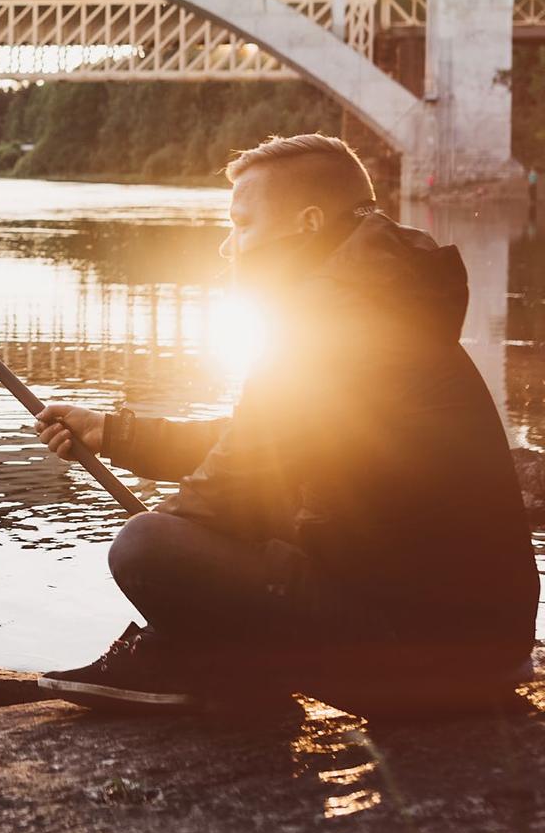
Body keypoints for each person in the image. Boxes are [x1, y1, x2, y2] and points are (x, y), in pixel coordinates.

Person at [35, 133, 538, 717]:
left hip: (424, 661)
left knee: (145, 545)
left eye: (243, 224)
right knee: (229, 527)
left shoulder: (324, 321)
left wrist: (179, 568)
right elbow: (268, 439)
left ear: (307, 222)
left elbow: (230, 486)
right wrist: (113, 434)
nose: (228, 246)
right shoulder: (377, 301)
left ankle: (204, 667)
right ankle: (218, 666)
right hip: (487, 649)